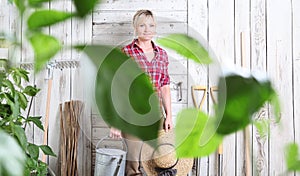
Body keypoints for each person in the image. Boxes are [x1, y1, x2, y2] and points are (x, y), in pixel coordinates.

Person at [109, 9, 173, 175]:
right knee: (133, 165)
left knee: (158, 162)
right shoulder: (126, 53)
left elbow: (165, 86)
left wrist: (169, 116)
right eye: (142, 25)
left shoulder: (162, 55)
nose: (147, 29)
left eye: (151, 25)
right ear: (135, 28)